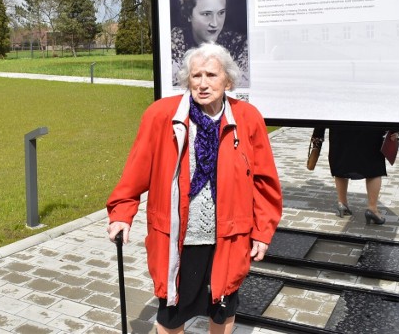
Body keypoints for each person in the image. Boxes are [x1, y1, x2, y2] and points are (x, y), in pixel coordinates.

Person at [106, 43, 282, 333]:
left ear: (228, 79)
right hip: (178, 237)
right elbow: (136, 171)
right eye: (195, 76)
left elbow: (265, 182)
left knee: (223, 307)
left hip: (229, 236)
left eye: (211, 75)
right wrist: (122, 213)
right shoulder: (161, 115)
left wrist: (263, 231)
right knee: (172, 312)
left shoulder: (247, 118)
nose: (202, 84)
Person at [171, 0, 249, 87]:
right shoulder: (175, 40)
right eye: (207, 14)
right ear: (188, 14)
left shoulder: (239, 44)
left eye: (221, 13)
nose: (215, 23)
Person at [325, 127, 398, 225]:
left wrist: (318, 132)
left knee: (341, 160)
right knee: (373, 166)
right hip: (369, 125)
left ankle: (342, 203)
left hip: (341, 124)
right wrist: (394, 129)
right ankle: (372, 209)